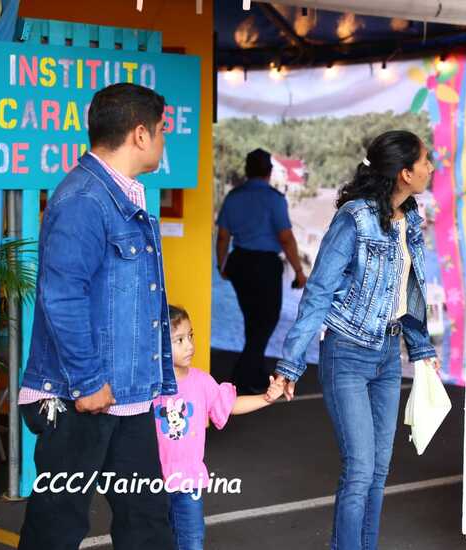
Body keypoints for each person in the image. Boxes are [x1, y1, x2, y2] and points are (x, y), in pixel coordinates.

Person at [18, 83, 176, 549]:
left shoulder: (118, 194)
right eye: (162, 130)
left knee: (147, 521)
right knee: (57, 525)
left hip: (125, 393)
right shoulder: (85, 199)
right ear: (141, 134)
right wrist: (87, 382)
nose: (164, 140)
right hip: (81, 396)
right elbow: (62, 296)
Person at [266, 130, 441, 550]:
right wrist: (290, 365)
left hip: (388, 353)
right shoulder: (355, 218)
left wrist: (421, 348)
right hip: (346, 352)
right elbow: (319, 292)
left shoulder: (410, 218)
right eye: (425, 160)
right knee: (361, 469)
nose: (431, 167)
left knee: (379, 470)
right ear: (404, 173)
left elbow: (408, 290)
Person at [154, 305, 276, 550]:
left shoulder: (201, 381)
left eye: (190, 336)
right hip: (151, 483)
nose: (189, 345)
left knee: (191, 541)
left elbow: (230, 405)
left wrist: (266, 398)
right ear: (157, 344)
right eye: (179, 340)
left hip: (188, 482)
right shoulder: (149, 386)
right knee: (153, 541)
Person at [216, 148, 307, 395]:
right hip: (265, 266)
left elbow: (223, 236)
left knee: (253, 322)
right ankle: (242, 378)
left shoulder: (233, 197)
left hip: (240, 263)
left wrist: (221, 264)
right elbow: (286, 238)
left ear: (246, 171)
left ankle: (254, 373)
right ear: (269, 171)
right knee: (266, 321)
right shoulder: (274, 199)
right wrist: (299, 271)